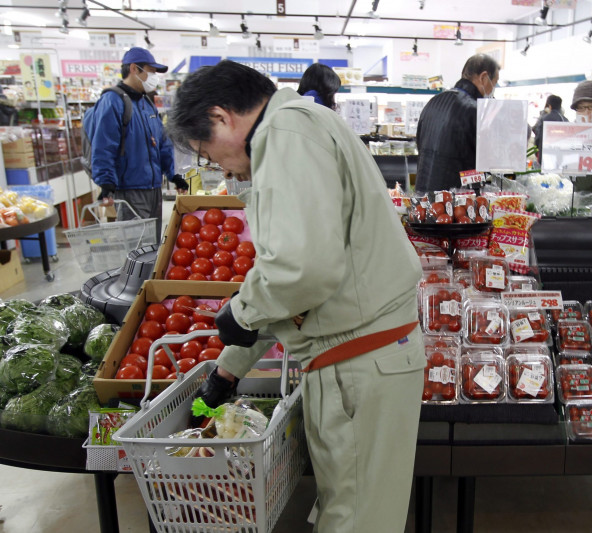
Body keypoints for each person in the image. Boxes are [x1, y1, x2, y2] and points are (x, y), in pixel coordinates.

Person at [166, 60, 425, 533]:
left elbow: (304, 270)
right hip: (365, 357)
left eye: (207, 152)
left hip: (358, 364)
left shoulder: (285, 134)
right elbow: (292, 276)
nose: (216, 166)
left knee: (355, 519)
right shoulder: (300, 124)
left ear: (222, 117)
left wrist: (240, 314)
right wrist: (230, 368)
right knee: (354, 508)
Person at [86, 47, 186, 241]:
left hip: (153, 188)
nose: (154, 77)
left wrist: (173, 174)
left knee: (153, 247)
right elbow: (103, 146)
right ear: (134, 69)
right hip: (129, 189)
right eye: (151, 71)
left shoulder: (146, 104)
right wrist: (106, 184)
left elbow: (162, 143)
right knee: (135, 247)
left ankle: (151, 273)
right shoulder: (112, 101)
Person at [414, 54, 500, 192]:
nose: (493, 89)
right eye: (494, 83)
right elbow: (484, 163)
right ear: (484, 77)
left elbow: (420, 146)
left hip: (423, 194)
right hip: (454, 202)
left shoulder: (433, 102)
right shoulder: (475, 111)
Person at [531, 94, 567, 161]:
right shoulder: (565, 120)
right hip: (561, 155)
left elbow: (537, 136)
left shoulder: (544, 118)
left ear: (549, 106)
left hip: (544, 153)